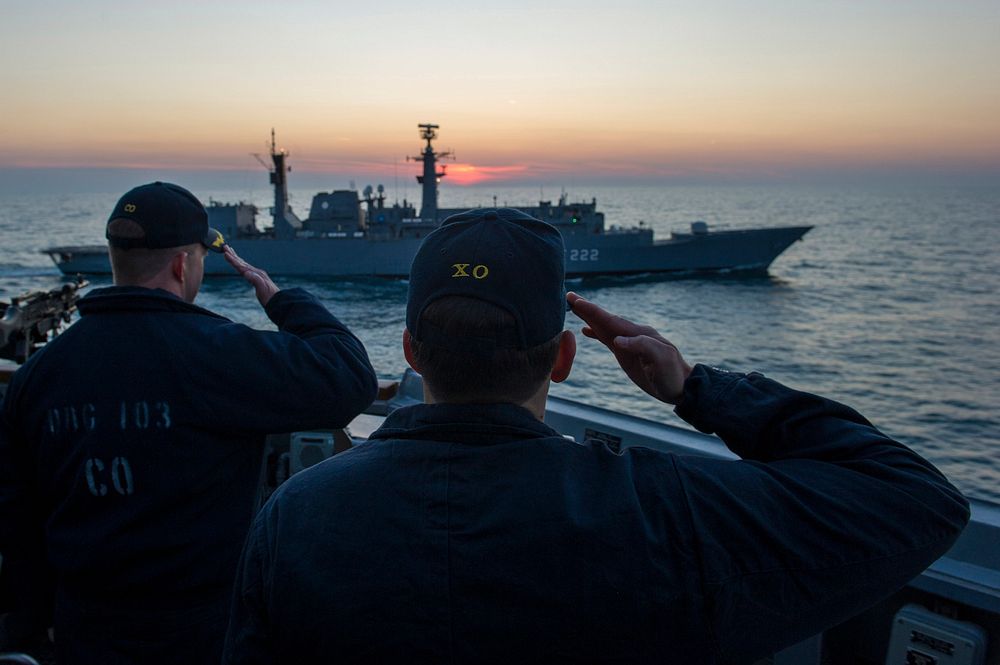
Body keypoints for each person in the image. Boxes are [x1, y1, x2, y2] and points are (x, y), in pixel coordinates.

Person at [222, 208, 969, 665]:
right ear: (567, 354)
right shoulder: (664, 514)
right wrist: (694, 386)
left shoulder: (294, 516)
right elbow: (918, 499)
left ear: (410, 351)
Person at [0, 182, 378, 664]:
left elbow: (16, 518)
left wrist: (33, 626)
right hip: (203, 632)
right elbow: (348, 376)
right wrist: (282, 301)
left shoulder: (37, 376)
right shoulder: (219, 354)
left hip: (81, 629)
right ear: (184, 264)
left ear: (116, 257)